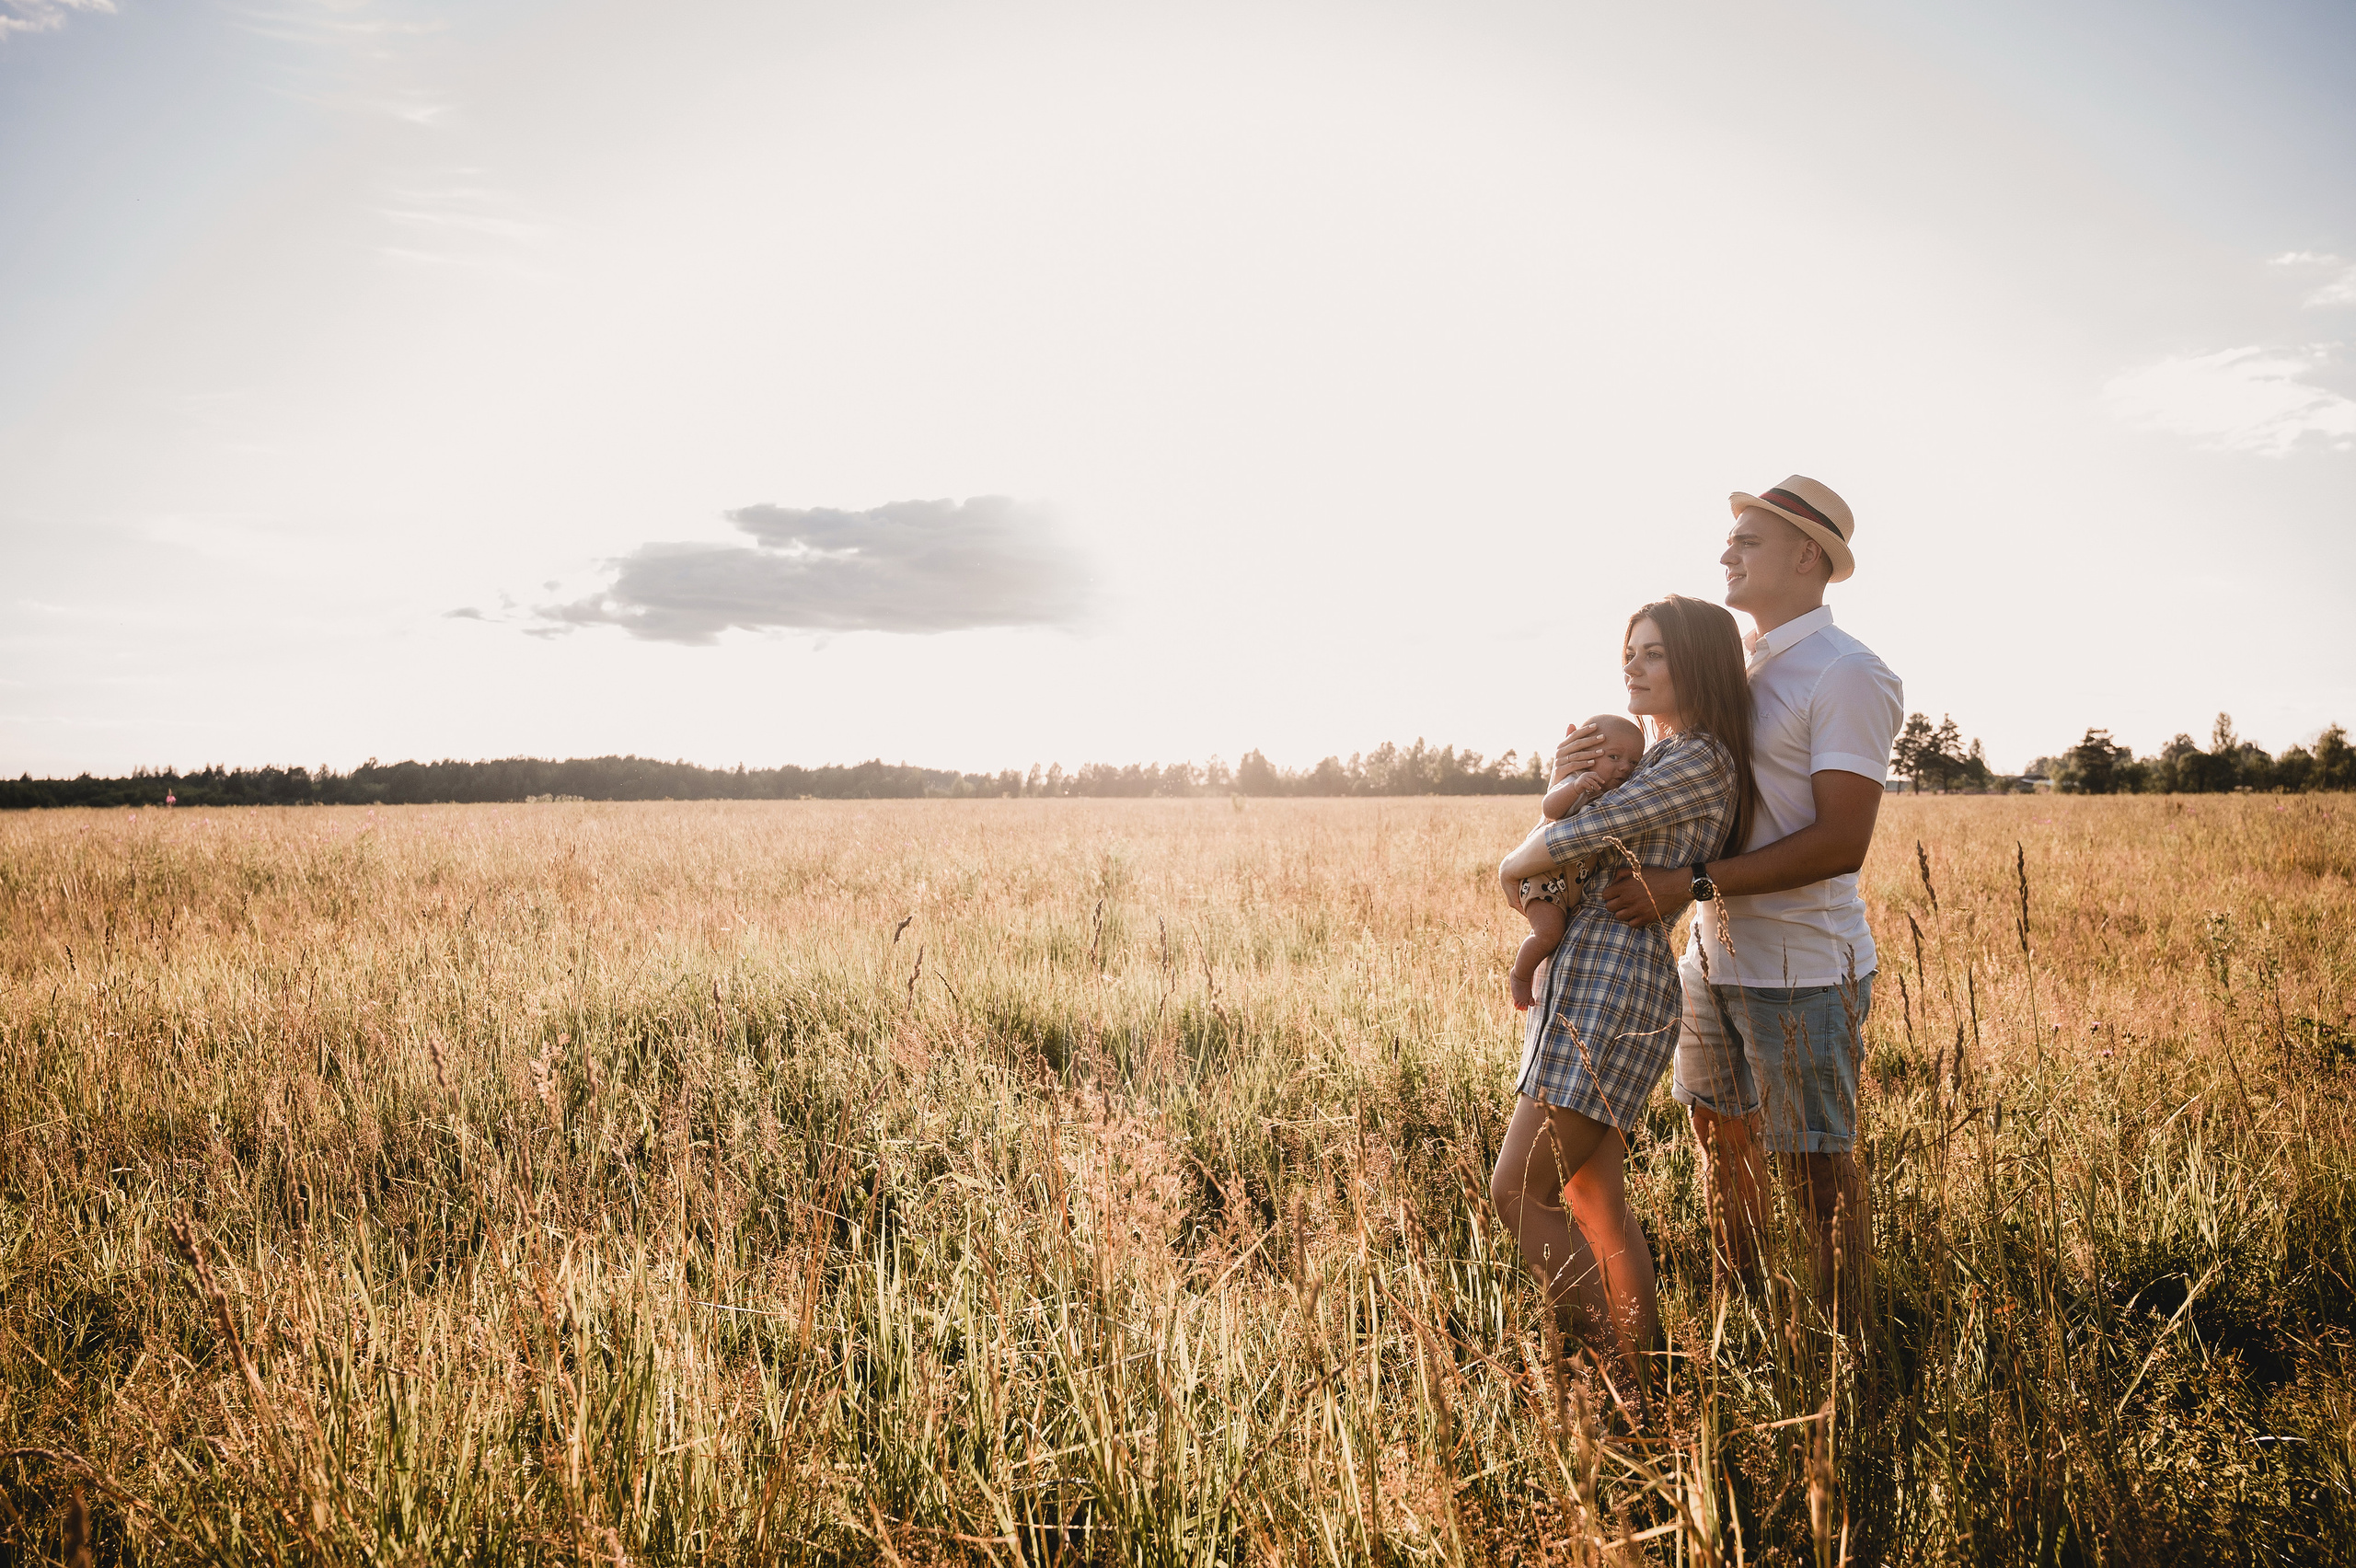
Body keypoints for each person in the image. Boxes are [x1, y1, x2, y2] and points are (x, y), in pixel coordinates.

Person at [1560, 476, 1902, 1312]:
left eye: (1748, 542)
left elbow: (1841, 840)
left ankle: (1844, 1350)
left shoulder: (1848, 673)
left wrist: (1690, 882)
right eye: (1731, 541)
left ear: (1806, 556)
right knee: (1719, 1143)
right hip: (1711, 953)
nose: (1727, 554)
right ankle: (1742, 1312)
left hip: (1805, 963)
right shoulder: (1729, 663)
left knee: (1815, 1170)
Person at [1491, 595, 1757, 1419]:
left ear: (1698, 663)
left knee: (1515, 1194)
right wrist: (1562, 784)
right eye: (1628, 654)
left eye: (1652, 655)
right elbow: (1568, 823)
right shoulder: (1664, 756)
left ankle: (1619, 1384)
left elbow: (1553, 847)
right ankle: (1646, 1381)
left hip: (1610, 987)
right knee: (1596, 1200)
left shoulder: (1698, 762)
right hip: (1590, 978)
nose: (1632, 667)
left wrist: (1517, 859)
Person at [1509, 713, 1647, 1011]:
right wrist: (1575, 786)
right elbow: (1549, 807)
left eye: (1634, 762)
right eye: (1614, 756)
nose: (1624, 767)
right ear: (1586, 756)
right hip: (1545, 880)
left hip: (1570, 885)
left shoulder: (1615, 794)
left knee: (1559, 936)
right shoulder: (1576, 783)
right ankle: (1520, 976)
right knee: (1548, 934)